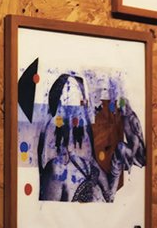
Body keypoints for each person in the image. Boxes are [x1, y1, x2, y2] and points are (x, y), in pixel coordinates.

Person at [38, 73, 145, 203]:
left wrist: (117, 161)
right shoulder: (56, 169)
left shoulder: (88, 160)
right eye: (70, 102)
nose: (81, 109)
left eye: (82, 102)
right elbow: (47, 213)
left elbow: (109, 198)